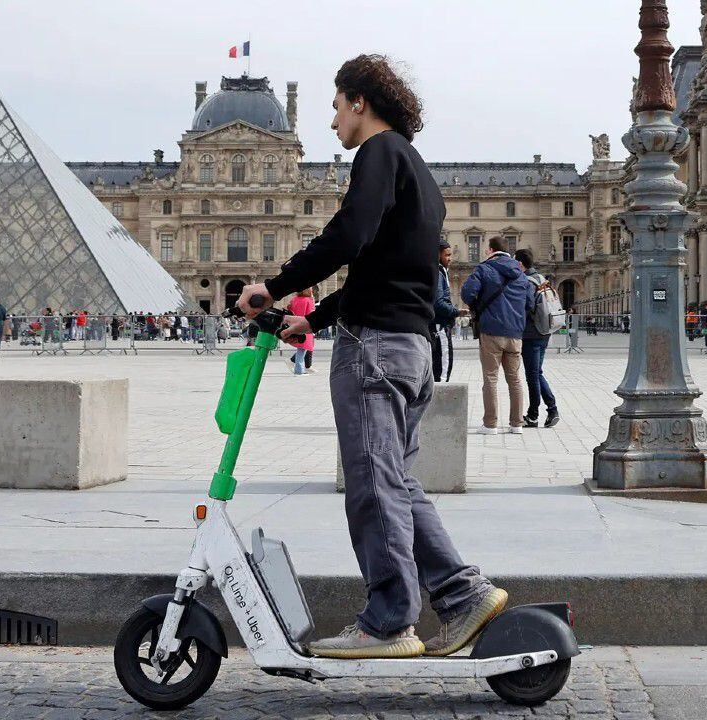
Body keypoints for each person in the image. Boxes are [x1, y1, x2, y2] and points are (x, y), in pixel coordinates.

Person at [235, 54, 505, 659]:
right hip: (411, 347)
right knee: (399, 483)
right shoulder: (418, 171)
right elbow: (382, 272)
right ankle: (462, 596)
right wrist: (311, 318)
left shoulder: (377, 154)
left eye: (336, 107)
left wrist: (273, 287)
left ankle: (388, 619)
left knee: (373, 486)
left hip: (375, 352)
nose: (333, 122)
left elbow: (347, 237)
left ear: (360, 101)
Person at [462, 236, 535, 434]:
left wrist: (480, 304)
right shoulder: (521, 274)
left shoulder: (484, 269)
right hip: (515, 334)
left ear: (490, 250)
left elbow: (467, 293)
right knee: (515, 379)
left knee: (491, 379)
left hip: (491, 331)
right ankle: (516, 424)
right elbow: (530, 303)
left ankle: (490, 424)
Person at [514, 248, 559, 427]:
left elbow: (527, 306)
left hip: (531, 333)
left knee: (532, 375)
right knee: (537, 373)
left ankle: (534, 415)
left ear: (520, 264)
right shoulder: (541, 278)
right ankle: (551, 409)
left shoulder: (525, 281)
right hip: (545, 331)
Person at [431, 239, 462, 382]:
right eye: (447, 255)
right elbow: (438, 303)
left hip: (438, 325)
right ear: (437, 255)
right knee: (442, 371)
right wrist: (456, 311)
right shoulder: (438, 273)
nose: (450, 259)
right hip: (440, 326)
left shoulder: (439, 272)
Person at [285, 287, 316, 375]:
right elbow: (311, 314)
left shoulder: (294, 299)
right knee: (303, 347)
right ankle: (299, 370)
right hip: (306, 325)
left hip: (295, 325)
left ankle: (298, 367)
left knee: (302, 347)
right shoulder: (308, 300)